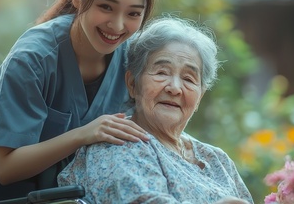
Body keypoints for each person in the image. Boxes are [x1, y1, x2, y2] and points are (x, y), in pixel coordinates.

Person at [0, 0, 156, 187]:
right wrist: (83, 134)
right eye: (106, 7)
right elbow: (3, 168)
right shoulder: (32, 59)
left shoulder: (132, 61)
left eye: (133, 13)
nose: (118, 25)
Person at [58, 17, 254, 204]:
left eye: (188, 78)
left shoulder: (216, 159)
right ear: (133, 84)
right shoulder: (118, 142)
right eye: (161, 73)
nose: (175, 88)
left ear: (200, 97)